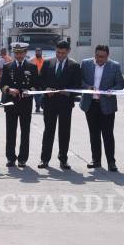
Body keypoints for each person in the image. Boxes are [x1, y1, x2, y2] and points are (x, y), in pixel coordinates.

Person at [37, 40, 81, 170]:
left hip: (65, 104)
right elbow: (40, 80)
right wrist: (46, 88)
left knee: (64, 132)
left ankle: (63, 159)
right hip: (49, 103)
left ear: (68, 51)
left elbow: (78, 85)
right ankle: (45, 159)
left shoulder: (74, 65)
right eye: (58, 52)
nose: (60, 55)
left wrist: (69, 92)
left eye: (63, 53)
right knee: (48, 131)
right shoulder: (47, 63)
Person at [80, 45, 123, 172]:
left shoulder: (115, 66)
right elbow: (79, 80)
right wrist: (87, 87)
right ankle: (96, 160)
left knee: (108, 134)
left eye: (102, 57)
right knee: (94, 134)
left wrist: (112, 90)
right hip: (90, 104)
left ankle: (111, 162)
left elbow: (120, 84)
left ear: (108, 56)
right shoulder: (86, 64)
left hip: (107, 105)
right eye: (97, 56)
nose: (99, 59)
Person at [0, 43, 39, 168]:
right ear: (13, 53)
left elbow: (36, 85)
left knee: (25, 132)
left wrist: (30, 91)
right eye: (16, 53)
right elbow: (2, 85)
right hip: (11, 103)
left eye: (21, 53)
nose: (19, 55)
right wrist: (9, 90)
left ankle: (22, 158)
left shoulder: (32, 67)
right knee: (10, 132)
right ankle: (10, 158)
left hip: (25, 104)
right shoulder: (7, 66)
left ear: (25, 53)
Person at [30, 48, 45, 113]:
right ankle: (37, 107)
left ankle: (41, 104)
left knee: (42, 93)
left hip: (42, 79)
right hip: (34, 79)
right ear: (35, 52)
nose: (38, 53)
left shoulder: (44, 60)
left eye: (39, 51)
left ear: (41, 52)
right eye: (37, 51)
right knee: (36, 94)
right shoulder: (32, 60)